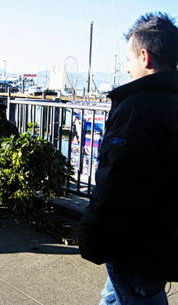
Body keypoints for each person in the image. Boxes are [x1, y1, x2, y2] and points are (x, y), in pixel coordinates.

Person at [78, 12, 178, 305]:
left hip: (136, 239)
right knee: (117, 293)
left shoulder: (137, 107)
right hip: (165, 234)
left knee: (137, 294)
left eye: (129, 59)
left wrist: (91, 231)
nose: (127, 65)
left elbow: (117, 178)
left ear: (144, 57)